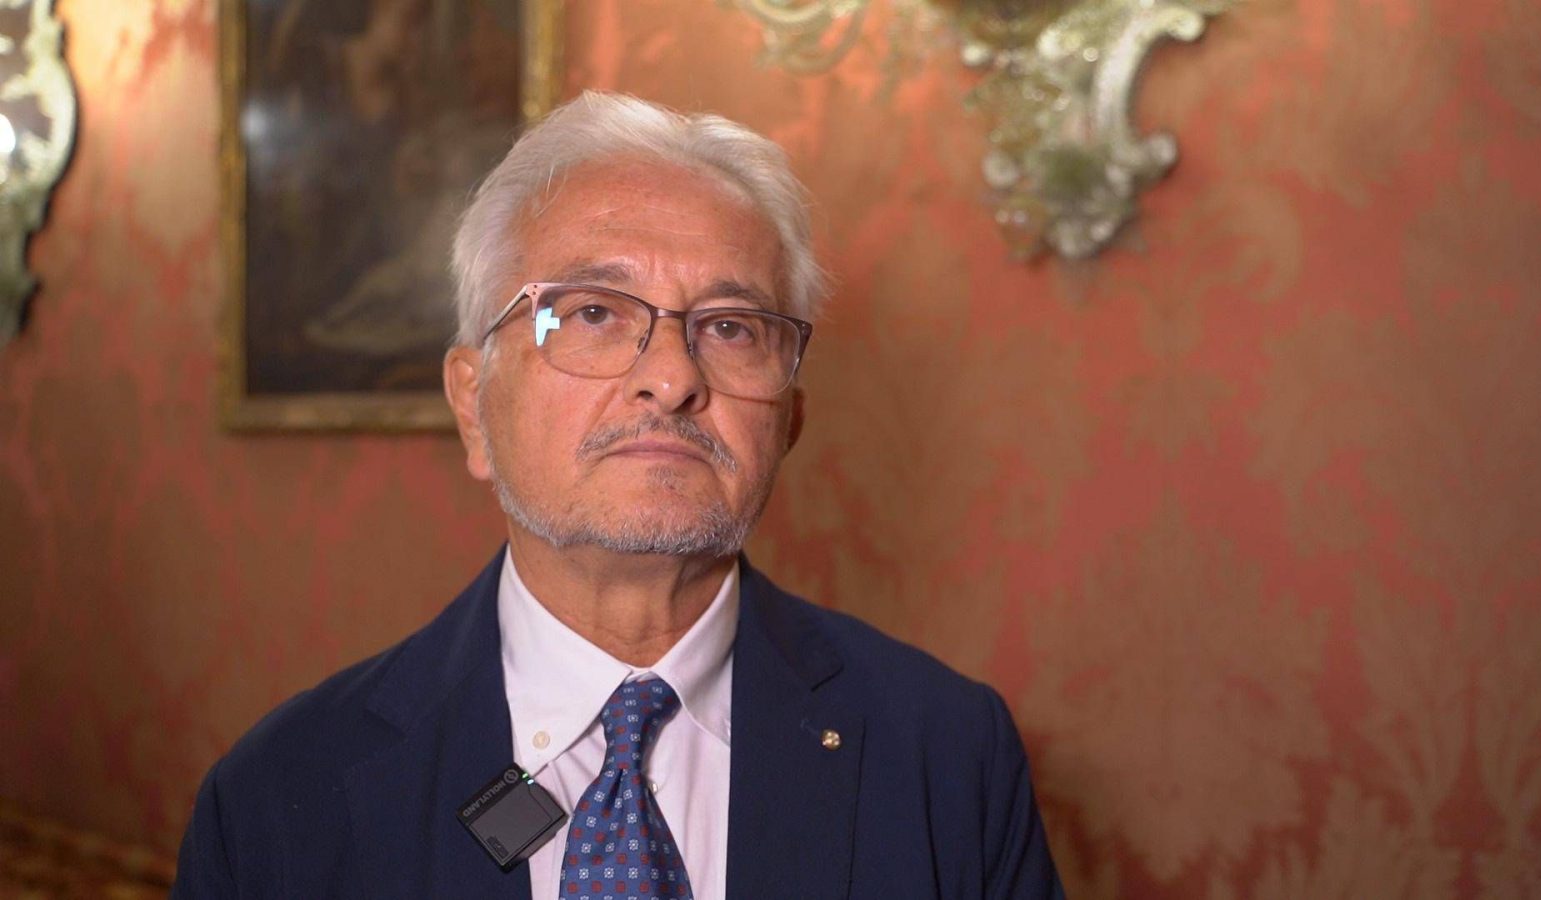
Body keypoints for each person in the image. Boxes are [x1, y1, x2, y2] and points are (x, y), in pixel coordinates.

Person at [174, 91, 1064, 900]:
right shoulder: (278, 800)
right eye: (594, 312)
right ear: (473, 405)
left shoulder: (949, 755)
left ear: (789, 420)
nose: (672, 378)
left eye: (730, 327)